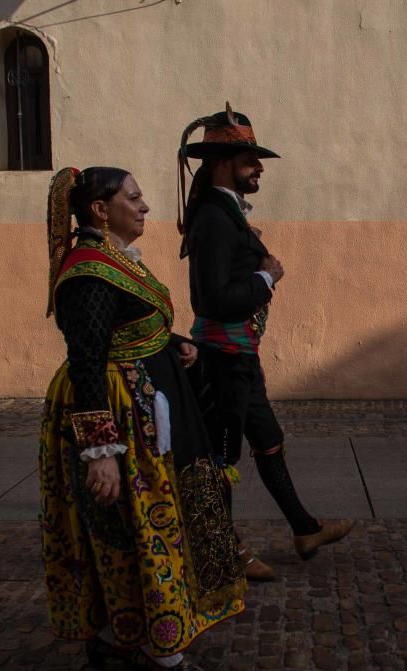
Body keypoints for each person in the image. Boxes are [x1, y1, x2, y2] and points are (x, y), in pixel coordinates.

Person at [39, 166, 245, 671]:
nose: (146, 205)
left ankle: (117, 634)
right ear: (100, 211)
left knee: (132, 527)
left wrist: (172, 342)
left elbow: (126, 327)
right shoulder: (89, 271)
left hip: (144, 407)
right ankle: (156, 647)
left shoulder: (113, 263)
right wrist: (99, 450)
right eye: (133, 197)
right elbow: (86, 359)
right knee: (135, 527)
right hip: (120, 419)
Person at [175, 104, 352, 581]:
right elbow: (211, 299)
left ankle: (304, 528)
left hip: (241, 356)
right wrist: (265, 277)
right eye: (251, 161)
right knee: (222, 459)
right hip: (223, 359)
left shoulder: (226, 213)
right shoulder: (214, 216)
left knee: (269, 440)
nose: (258, 170)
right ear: (222, 164)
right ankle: (224, 551)